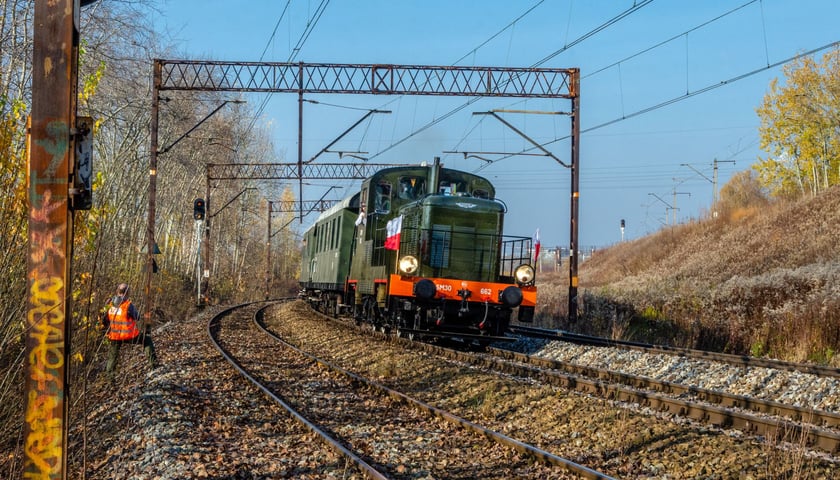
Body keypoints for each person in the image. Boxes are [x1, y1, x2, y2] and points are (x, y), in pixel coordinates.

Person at [102, 283, 157, 376]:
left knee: (112, 357)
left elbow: (104, 320)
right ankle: (154, 366)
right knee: (147, 340)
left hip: (114, 336)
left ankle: (109, 380)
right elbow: (137, 317)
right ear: (127, 293)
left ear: (117, 291)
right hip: (128, 336)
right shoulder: (128, 305)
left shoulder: (109, 304)